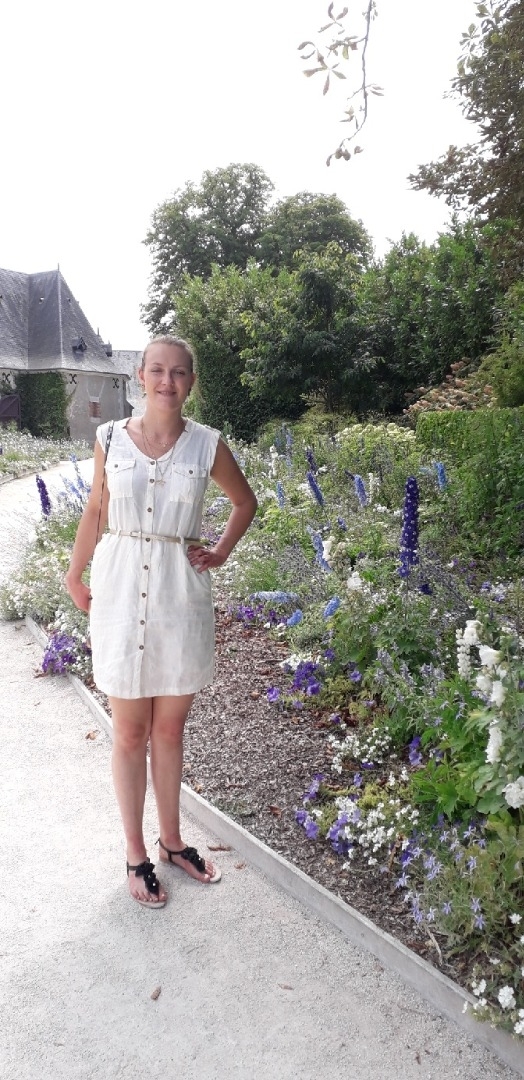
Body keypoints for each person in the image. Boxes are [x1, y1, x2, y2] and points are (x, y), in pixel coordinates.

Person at [65, 335, 257, 909]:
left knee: (169, 731)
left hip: (179, 593)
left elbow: (244, 502)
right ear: (140, 377)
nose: (167, 381)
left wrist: (219, 551)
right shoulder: (108, 438)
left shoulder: (207, 445)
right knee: (129, 732)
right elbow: (96, 509)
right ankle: (135, 854)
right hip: (121, 590)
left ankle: (172, 843)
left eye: (178, 372)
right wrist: (74, 574)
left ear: (190, 381)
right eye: (157, 370)